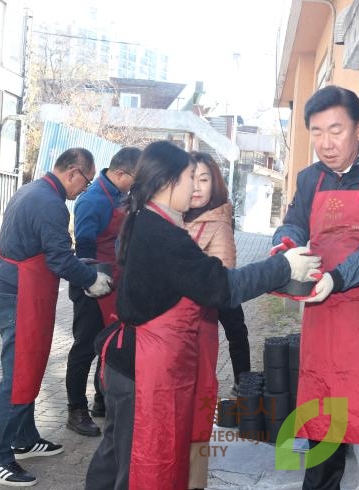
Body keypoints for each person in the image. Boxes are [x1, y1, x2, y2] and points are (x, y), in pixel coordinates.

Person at [84, 140, 321, 490]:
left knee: (115, 455)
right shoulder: (161, 233)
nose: (194, 187)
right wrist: (283, 267)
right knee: (137, 465)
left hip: (128, 361)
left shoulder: (143, 219)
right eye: (189, 178)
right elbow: (221, 287)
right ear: (168, 182)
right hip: (144, 368)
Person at [272, 85, 359, 490]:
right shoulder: (309, 178)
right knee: (323, 413)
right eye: (316, 132)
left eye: (335, 130)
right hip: (326, 315)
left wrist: (337, 278)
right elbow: (295, 224)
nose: (325, 143)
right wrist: (285, 247)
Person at [0, 148, 114, 487]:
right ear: (73, 172)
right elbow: (59, 259)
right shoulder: (49, 203)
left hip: (18, 290)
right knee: (17, 374)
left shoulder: (33, 190)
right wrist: (91, 280)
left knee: (31, 366)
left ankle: (24, 438)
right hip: (19, 294)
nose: (83, 191)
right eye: (84, 183)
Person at [183, 151, 252, 489]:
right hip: (184, 323)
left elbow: (220, 281)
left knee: (235, 332)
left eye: (204, 179)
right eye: (191, 177)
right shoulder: (179, 214)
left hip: (202, 316)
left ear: (216, 183)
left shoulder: (217, 222)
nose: (196, 186)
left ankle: (243, 384)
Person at [65, 146, 140, 437]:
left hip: (115, 283)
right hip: (91, 283)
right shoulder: (93, 200)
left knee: (108, 344)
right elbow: (83, 247)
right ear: (120, 173)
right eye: (135, 178)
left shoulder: (122, 195)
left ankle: (101, 400)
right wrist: (91, 281)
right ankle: (76, 410)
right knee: (85, 347)